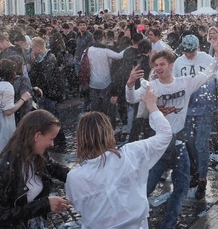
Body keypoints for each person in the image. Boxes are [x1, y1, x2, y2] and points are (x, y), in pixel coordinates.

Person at [126, 39, 218, 229]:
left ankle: (169, 224)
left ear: (171, 65)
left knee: (181, 187)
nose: (159, 68)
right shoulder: (151, 87)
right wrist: (130, 84)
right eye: (156, 65)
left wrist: (217, 54)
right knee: (146, 186)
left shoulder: (185, 83)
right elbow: (131, 99)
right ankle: (130, 219)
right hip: (158, 145)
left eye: (162, 64)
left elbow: (208, 73)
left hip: (178, 143)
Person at [66, 87, 172, 228]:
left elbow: (79, 206)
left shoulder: (74, 178)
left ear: (80, 139)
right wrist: (152, 106)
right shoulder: (130, 155)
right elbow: (165, 135)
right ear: (109, 133)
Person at [172, 35, 218, 199]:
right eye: (186, 52)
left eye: (192, 51)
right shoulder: (179, 62)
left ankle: (203, 178)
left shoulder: (206, 58)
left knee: (201, 143)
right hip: (187, 108)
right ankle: (196, 170)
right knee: (189, 142)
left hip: (205, 107)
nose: (189, 55)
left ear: (197, 48)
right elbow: (175, 82)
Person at [0, 110, 71, 228]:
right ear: (37, 136)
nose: (52, 144)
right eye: (51, 139)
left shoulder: (37, 154)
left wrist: (79, 177)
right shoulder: (3, 169)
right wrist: (45, 204)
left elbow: (55, 168)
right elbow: (1, 216)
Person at [0, 59, 32, 153]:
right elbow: (8, 111)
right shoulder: (7, 86)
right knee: (5, 151)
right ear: (12, 73)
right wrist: (23, 98)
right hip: (3, 124)